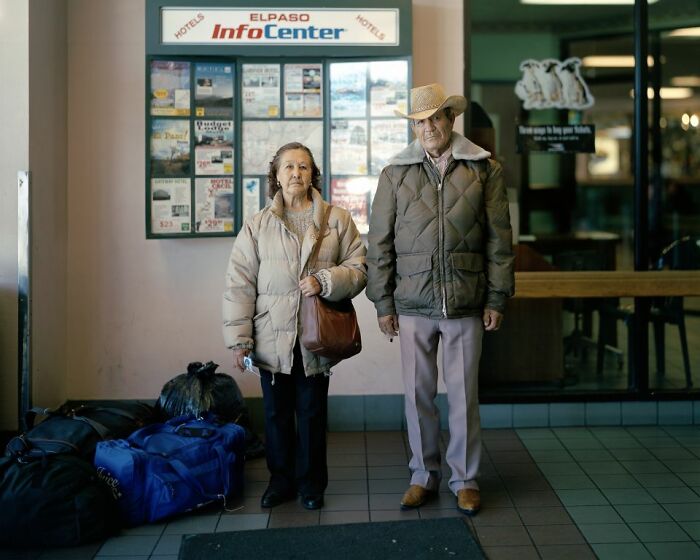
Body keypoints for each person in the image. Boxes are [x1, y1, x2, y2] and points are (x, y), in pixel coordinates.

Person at [367, 83, 515, 516]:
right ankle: (422, 474)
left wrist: (497, 297)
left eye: (435, 118)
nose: (428, 127)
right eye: (420, 121)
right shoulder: (394, 173)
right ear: (413, 127)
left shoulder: (485, 170)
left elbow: (500, 242)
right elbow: (379, 245)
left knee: (464, 395)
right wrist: (383, 303)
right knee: (417, 395)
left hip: (467, 300)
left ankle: (465, 479)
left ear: (451, 119)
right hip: (411, 302)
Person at [223, 142, 367, 511]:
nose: (296, 174)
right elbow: (240, 285)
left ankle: (312, 484)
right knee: (275, 415)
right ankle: (281, 481)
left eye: (303, 167)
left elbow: (359, 268)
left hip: (316, 338)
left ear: (312, 174)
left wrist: (325, 280)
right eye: (288, 167)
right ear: (276, 175)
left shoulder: (337, 219)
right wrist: (240, 340)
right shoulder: (257, 225)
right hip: (271, 336)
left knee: (313, 413)